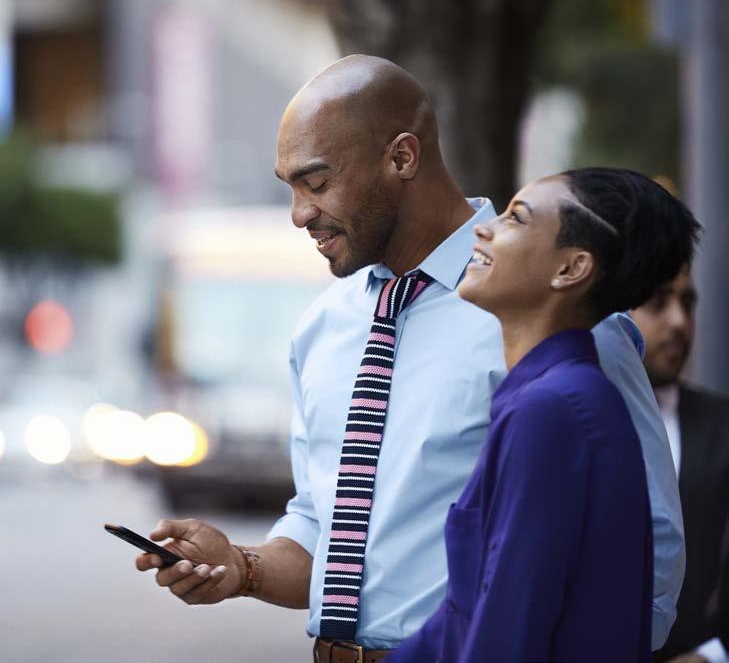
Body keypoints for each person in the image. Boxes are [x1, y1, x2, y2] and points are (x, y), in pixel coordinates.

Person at [135, 55, 684, 660]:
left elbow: (646, 544)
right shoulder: (323, 326)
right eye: (289, 189)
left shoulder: (561, 320)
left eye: (316, 184)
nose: (299, 215)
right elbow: (324, 526)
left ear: (402, 157)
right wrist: (242, 567)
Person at [387, 168, 700, 662]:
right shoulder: (548, 395)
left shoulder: (554, 409)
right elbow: (465, 610)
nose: (483, 228)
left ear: (571, 269)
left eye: (516, 219)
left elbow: (507, 628)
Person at [632, 268, 729, 663]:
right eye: (658, 302)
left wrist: (713, 653)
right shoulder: (569, 414)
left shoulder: (721, 426)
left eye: (688, 303)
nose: (679, 322)